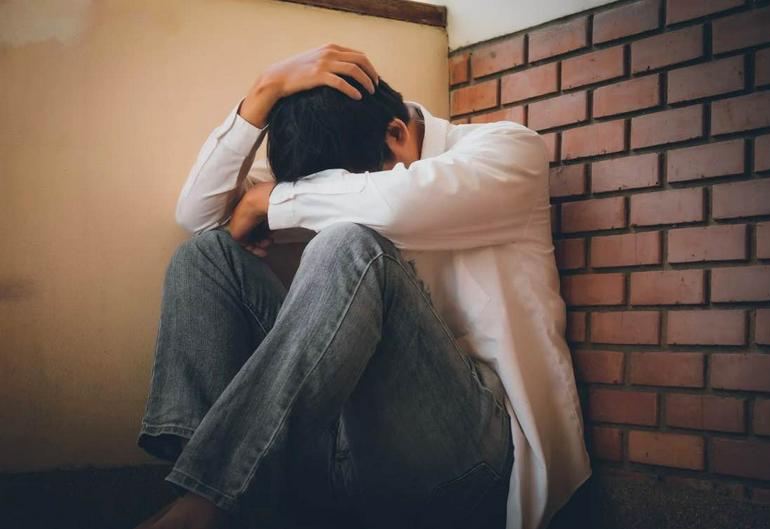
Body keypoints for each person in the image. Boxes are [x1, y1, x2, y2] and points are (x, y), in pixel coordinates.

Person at [135, 43, 590, 529]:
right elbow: (198, 216)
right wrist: (264, 92)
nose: (339, 196)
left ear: (397, 133)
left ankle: (211, 503)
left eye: (346, 186)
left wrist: (274, 200)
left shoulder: (506, 150)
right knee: (207, 255)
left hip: (472, 459)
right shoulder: (339, 156)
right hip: (344, 454)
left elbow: (398, 205)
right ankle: (204, 488)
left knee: (348, 243)